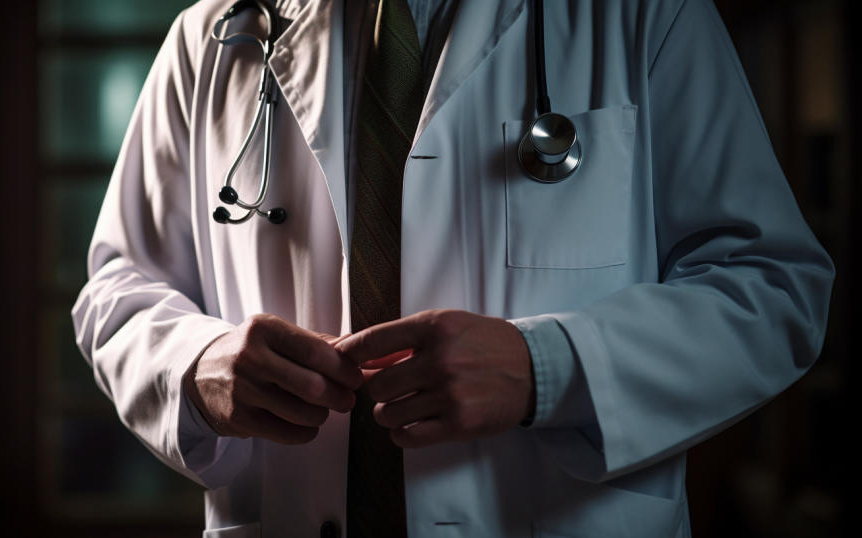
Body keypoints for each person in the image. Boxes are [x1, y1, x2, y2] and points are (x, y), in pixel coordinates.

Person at [71, 0, 834, 536]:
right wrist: (195, 364)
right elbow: (117, 290)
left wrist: (550, 370)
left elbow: (772, 287)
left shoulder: (644, 13)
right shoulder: (214, 36)